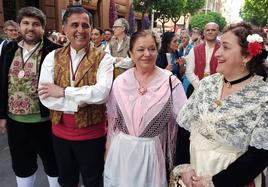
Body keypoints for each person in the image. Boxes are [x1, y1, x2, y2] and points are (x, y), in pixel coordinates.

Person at [170, 22, 268, 187]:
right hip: (192, 172)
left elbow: (259, 155)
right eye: (219, 46)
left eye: (226, 47)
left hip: (231, 180)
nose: (217, 53)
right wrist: (184, 168)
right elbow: (185, 127)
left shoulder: (263, 96)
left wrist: (215, 182)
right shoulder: (208, 84)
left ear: (246, 56)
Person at [38, 6, 114, 187]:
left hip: (92, 135)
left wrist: (63, 92)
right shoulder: (52, 57)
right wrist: (81, 101)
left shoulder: (104, 58)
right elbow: (46, 96)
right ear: (64, 29)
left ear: (91, 28)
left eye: (85, 25)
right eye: (74, 25)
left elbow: (102, 93)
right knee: (66, 179)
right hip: (60, 134)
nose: (80, 30)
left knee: (93, 179)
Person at [104, 30, 187, 187]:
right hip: (121, 151)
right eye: (140, 49)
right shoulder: (120, 81)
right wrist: (108, 151)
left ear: (158, 50)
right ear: (131, 53)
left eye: (152, 48)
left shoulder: (171, 82)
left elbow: (185, 120)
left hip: (150, 154)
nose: (146, 54)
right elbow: (112, 120)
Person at [0, 7, 61, 187]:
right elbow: (2, 83)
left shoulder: (54, 50)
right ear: (19, 26)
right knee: (21, 164)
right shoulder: (8, 49)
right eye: (26, 23)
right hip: (14, 120)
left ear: (43, 27)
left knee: (52, 162)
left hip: (45, 120)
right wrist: (2, 115)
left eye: (36, 24)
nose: (30, 28)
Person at [185, 22, 220, 91]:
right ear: (204, 32)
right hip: (197, 86)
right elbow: (189, 71)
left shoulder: (223, 49)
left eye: (213, 30)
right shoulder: (194, 49)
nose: (210, 32)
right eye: (208, 30)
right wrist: (199, 86)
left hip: (217, 88)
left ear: (218, 32)